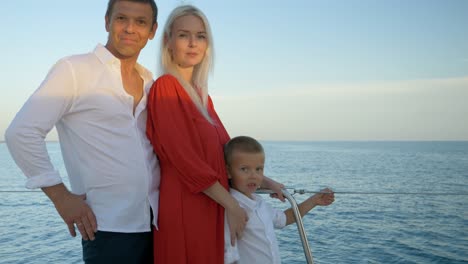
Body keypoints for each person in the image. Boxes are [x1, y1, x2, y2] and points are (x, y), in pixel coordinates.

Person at [5, 0, 160, 263]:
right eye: (122, 18)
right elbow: (21, 133)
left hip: (157, 223)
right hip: (107, 228)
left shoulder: (150, 81)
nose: (130, 28)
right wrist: (61, 198)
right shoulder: (74, 69)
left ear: (152, 30)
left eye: (141, 22)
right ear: (107, 21)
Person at [145, 5, 284, 264]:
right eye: (184, 35)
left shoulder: (201, 97)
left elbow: (228, 155)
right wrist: (232, 206)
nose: (193, 43)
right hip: (187, 204)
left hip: (211, 204)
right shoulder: (165, 88)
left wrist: (267, 182)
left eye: (201, 36)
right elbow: (183, 159)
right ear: (168, 41)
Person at [223, 136, 335, 264]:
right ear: (228, 172)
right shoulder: (232, 210)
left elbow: (285, 218)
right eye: (244, 169)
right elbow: (229, 256)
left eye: (258, 169)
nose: (253, 176)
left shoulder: (260, 203)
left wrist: (314, 201)